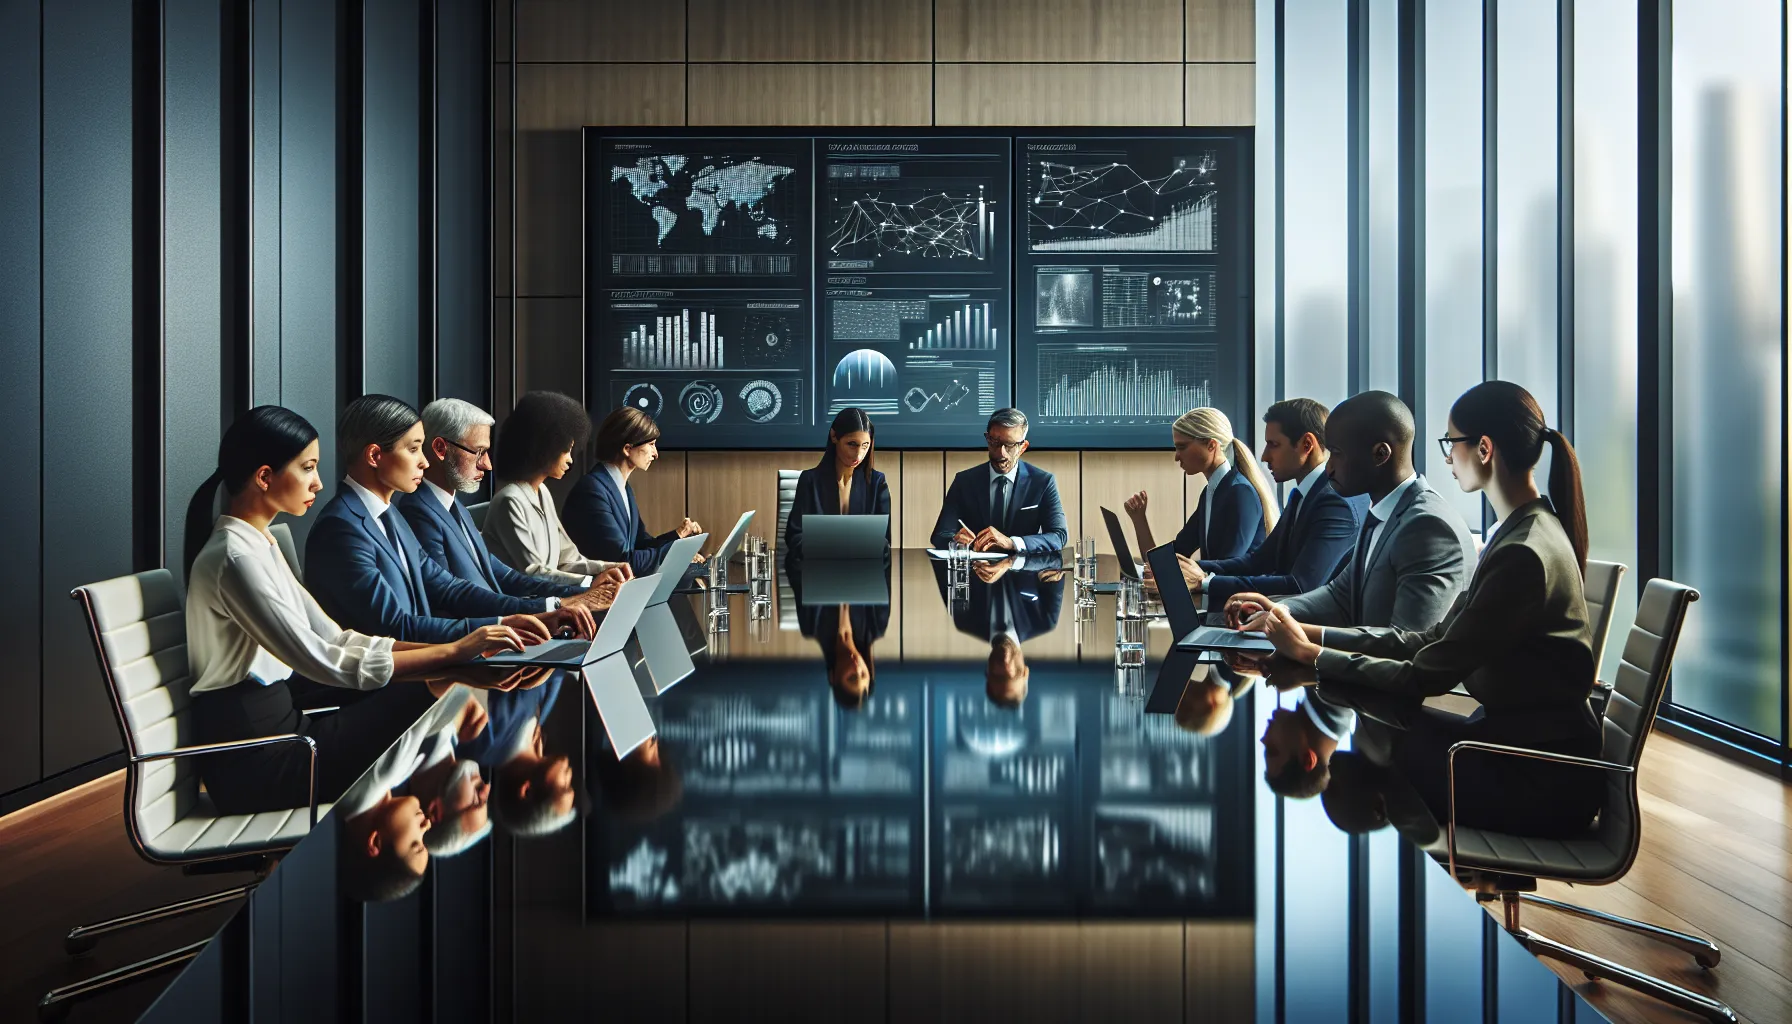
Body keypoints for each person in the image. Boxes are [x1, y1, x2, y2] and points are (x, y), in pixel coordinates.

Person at [1252, 381, 1602, 837]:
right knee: (1375, 748)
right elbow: (1431, 640)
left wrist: (1311, 656)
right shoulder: (1520, 531)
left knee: (1365, 771)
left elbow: (1426, 674)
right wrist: (1308, 638)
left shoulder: (1523, 551)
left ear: (1484, 449)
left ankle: (1431, 897)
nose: (1445, 457)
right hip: (1516, 744)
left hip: (1541, 777)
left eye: (1450, 443)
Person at [182, 406, 531, 816]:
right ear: (264, 477)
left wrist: (455, 658)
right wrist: (453, 658)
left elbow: (336, 638)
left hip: (285, 734)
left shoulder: (258, 545)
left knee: (429, 699)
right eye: (308, 467)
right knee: (423, 700)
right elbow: (320, 659)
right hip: (260, 764)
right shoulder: (235, 558)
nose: (318, 482)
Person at [306, 395, 593, 646]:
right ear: (375, 456)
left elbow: (448, 587)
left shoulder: (390, 513)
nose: (425, 461)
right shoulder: (341, 528)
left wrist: (545, 609)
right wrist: (502, 627)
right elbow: (394, 628)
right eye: (414, 448)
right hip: (390, 685)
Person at [1222, 391, 1477, 632]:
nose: (1329, 467)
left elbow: (1407, 643)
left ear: (1380, 454)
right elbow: (1338, 594)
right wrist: (1279, 610)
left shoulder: (1427, 526)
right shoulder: (1381, 511)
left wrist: (1307, 642)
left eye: (1337, 454)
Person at [401, 396, 625, 613]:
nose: (487, 465)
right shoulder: (418, 511)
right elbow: (451, 598)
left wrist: (583, 590)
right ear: (441, 449)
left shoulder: (455, 508)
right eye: (478, 452)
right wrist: (557, 605)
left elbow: (505, 575)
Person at [1178, 399, 1366, 607]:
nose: (1265, 456)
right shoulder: (1302, 496)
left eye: (1274, 445)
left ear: (1306, 445)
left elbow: (1300, 585)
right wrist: (1192, 567)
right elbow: (1258, 561)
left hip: (1313, 634)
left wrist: (1205, 582)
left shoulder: (1335, 503)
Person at [476, 392, 635, 587]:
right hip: (522, 609)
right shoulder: (510, 500)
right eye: (566, 451)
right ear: (544, 448)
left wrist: (609, 568)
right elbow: (532, 572)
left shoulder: (543, 493)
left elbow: (568, 560)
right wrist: (593, 581)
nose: (570, 459)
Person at [1124, 407, 1276, 562]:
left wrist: (1189, 573)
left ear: (1211, 445)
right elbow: (1171, 556)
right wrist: (1139, 519)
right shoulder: (1210, 493)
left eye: (1182, 447)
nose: (1177, 457)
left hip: (1240, 587)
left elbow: (1226, 567)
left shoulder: (1240, 492)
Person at [562, 406, 702, 574]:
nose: (655, 453)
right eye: (651, 444)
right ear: (627, 449)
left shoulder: (623, 488)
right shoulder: (592, 491)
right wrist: (677, 553)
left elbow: (641, 545)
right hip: (598, 593)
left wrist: (678, 536)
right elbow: (623, 560)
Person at [933, 550, 1067, 708]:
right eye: (1014, 673)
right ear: (1025, 671)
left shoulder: (964, 619)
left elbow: (944, 557)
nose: (1006, 665)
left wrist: (964, 545)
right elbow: (1055, 558)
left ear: (987, 672)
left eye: (999, 676)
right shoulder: (1044, 619)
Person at [929, 408, 1068, 555]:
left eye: (1009, 445)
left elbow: (1058, 536)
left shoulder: (1043, 482)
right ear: (987, 439)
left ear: (1023, 447)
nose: (1001, 453)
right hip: (976, 572)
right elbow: (941, 535)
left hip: (1024, 573)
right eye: (994, 442)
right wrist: (956, 540)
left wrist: (1012, 543)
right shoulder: (964, 481)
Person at [784, 406, 892, 555]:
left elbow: (884, 541)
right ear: (834, 436)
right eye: (852, 444)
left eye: (865, 446)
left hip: (863, 571)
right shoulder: (809, 481)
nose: (858, 455)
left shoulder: (877, 482)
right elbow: (795, 538)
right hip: (819, 570)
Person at [788, 557, 890, 710]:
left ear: (833, 677)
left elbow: (796, 563)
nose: (858, 668)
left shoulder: (811, 626)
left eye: (852, 677)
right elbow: (884, 560)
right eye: (864, 674)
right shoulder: (876, 625)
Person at [1259, 690, 1357, 799]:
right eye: (1272, 749)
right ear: (1308, 759)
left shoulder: (1324, 706)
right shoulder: (1334, 697)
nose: (1263, 739)